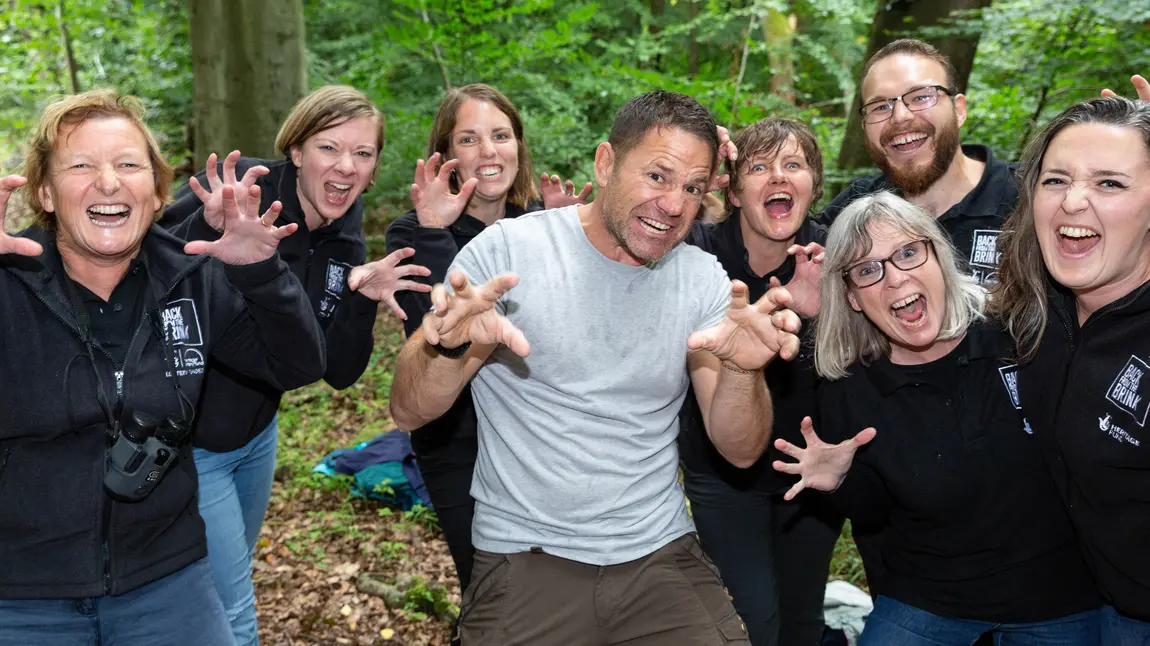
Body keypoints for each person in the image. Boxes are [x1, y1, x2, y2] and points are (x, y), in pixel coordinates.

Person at [389, 90, 802, 645]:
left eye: (692, 188)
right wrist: (442, 345)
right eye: (658, 176)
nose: (674, 205)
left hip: (659, 554)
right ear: (605, 164)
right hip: (526, 554)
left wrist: (743, 372)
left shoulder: (704, 281)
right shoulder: (507, 253)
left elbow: (740, 448)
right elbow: (409, 411)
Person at [0, 89, 325, 644]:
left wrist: (262, 274)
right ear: (46, 193)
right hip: (21, 593)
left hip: (168, 579)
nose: (109, 182)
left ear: (155, 192)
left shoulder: (191, 276)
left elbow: (296, 365)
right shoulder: (11, 279)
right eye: (81, 166)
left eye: (129, 165)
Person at [161, 85, 430, 645]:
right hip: (191, 441)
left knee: (215, 589)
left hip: (257, 435)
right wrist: (204, 227)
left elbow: (334, 370)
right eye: (330, 148)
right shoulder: (244, 193)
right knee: (230, 608)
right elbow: (140, 272)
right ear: (298, 149)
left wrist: (358, 299)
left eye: (363, 154)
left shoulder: (345, 228)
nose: (346, 167)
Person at [773, 191, 1101, 645]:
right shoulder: (851, 385)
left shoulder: (1019, 332)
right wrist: (842, 481)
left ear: (938, 254)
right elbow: (873, 511)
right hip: (930, 597)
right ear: (851, 296)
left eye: (908, 252)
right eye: (868, 270)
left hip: (1059, 596)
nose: (895, 278)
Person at [384, 83, 589, 605]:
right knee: (491, 594)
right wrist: (433, 229)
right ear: (447, 154)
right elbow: (429, 339)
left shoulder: (541, 224)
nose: (489, 151)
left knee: (559, 592)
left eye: (501, 135)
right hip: (458, 443)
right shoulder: (412, 230)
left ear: (519, 146)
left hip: (540, 440)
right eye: (470, 139)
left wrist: (567, 239)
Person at [993, 94, 1150, 641]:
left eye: (1110, 183)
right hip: (1086, 601)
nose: (1073, 202)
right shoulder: (1037, 311)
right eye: (1056, 180)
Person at [679, 117, 838, 646]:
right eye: (759, 166)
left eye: (793, 165)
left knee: (801, 621)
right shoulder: (695, 251)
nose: (778, 177)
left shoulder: (834, 255)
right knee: (752, 623)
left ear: (814, 183)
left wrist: (827, 312)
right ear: (731, 185)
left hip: (811, 470)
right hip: (723, 474)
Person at [821, 38, 1018, 286]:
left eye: (921, 97)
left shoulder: (1029, 199)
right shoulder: (854, 210)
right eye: (881, 106)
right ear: (864, 127)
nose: (900, 117)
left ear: (959, 110)